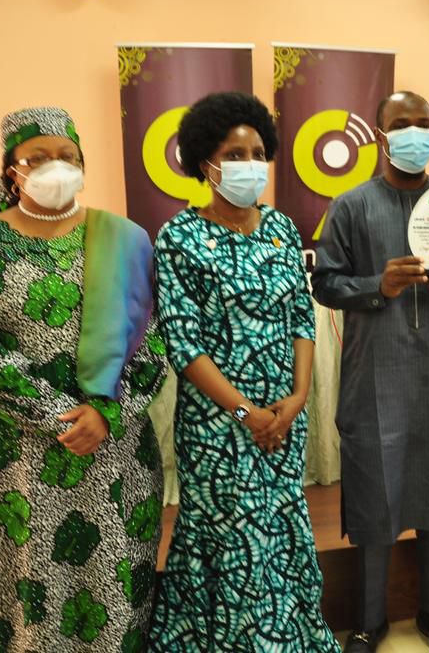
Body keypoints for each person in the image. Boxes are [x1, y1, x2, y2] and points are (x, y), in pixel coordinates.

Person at [0, 107, 167, 651]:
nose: (55, 168)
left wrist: (105, 413)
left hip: (113, 459)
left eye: (67, 157)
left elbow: (154, 341)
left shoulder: (126, 239)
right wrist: (57, 416)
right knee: (29, 602)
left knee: (117, 600)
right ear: (10, 171)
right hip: (13, 462)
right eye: (37, 158)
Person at [148, 92, 338, 652]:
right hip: (218, 428)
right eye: (235, 153)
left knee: (278, 530)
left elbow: (302, 314)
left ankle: (288, 637)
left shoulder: (281, 229)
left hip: (283, 418)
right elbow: (183, 343)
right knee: (229, 535)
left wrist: (299, 395)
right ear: (205, 162)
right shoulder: (179, 239)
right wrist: (245, 412)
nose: (249, 164)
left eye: (258, 152)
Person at [312, 91, 429, 653]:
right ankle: (370, 618)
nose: (415, 133)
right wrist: (376, 286)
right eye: (402, 124)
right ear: (382, 135)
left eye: (425, 123)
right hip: (373, 376)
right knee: (373, 489)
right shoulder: (350, 206)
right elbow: (325, 284)